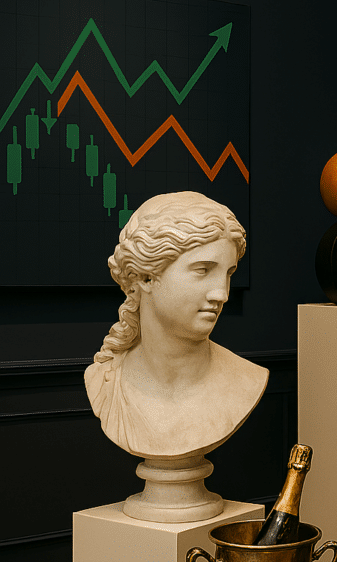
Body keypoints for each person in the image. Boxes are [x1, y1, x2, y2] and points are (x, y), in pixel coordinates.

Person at [85, 191, 268, 460]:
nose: (222, 294)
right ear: (145, 277)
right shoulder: (105, 381)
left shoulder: (246, 381)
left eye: (228, 273)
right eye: (203, 270)